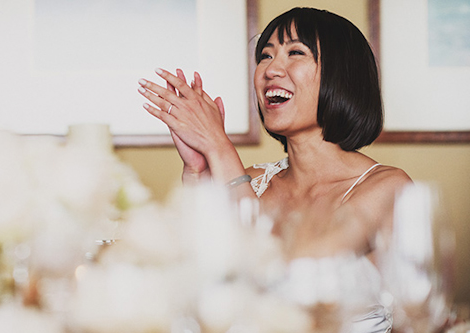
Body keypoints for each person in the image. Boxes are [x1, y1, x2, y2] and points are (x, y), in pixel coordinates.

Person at [137, 7, 412, 259]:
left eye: (295, 53)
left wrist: (220, 148)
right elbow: (195, 276)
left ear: (342, 76)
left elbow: (287, 281)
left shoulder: (388, 188)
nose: (270, 70)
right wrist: (198, 173)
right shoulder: (252, 181)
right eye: (266, 56)